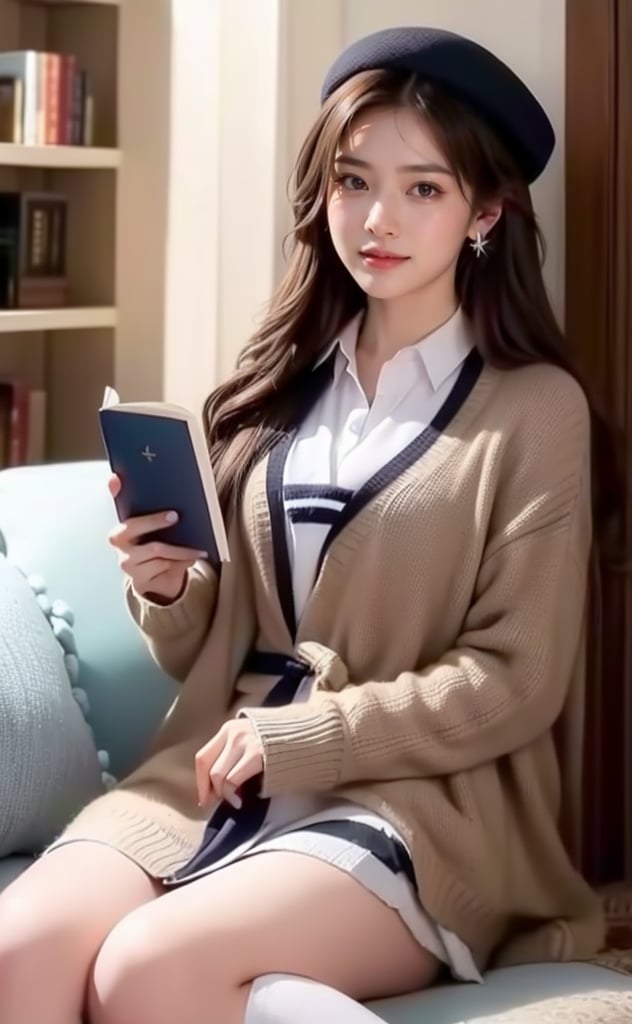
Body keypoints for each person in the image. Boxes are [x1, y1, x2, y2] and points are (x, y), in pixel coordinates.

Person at [0, 24, 615, 1024]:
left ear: (485, 212)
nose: (376, 217)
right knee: (16, 951)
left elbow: (516, 680)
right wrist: (169, 588)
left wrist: (303, 737)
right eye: (350, 180)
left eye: (421, 188)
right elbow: (217, 639)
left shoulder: (531, 408)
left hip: (417, 803)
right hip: (211, 770)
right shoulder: (272, 388)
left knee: (147, 970)